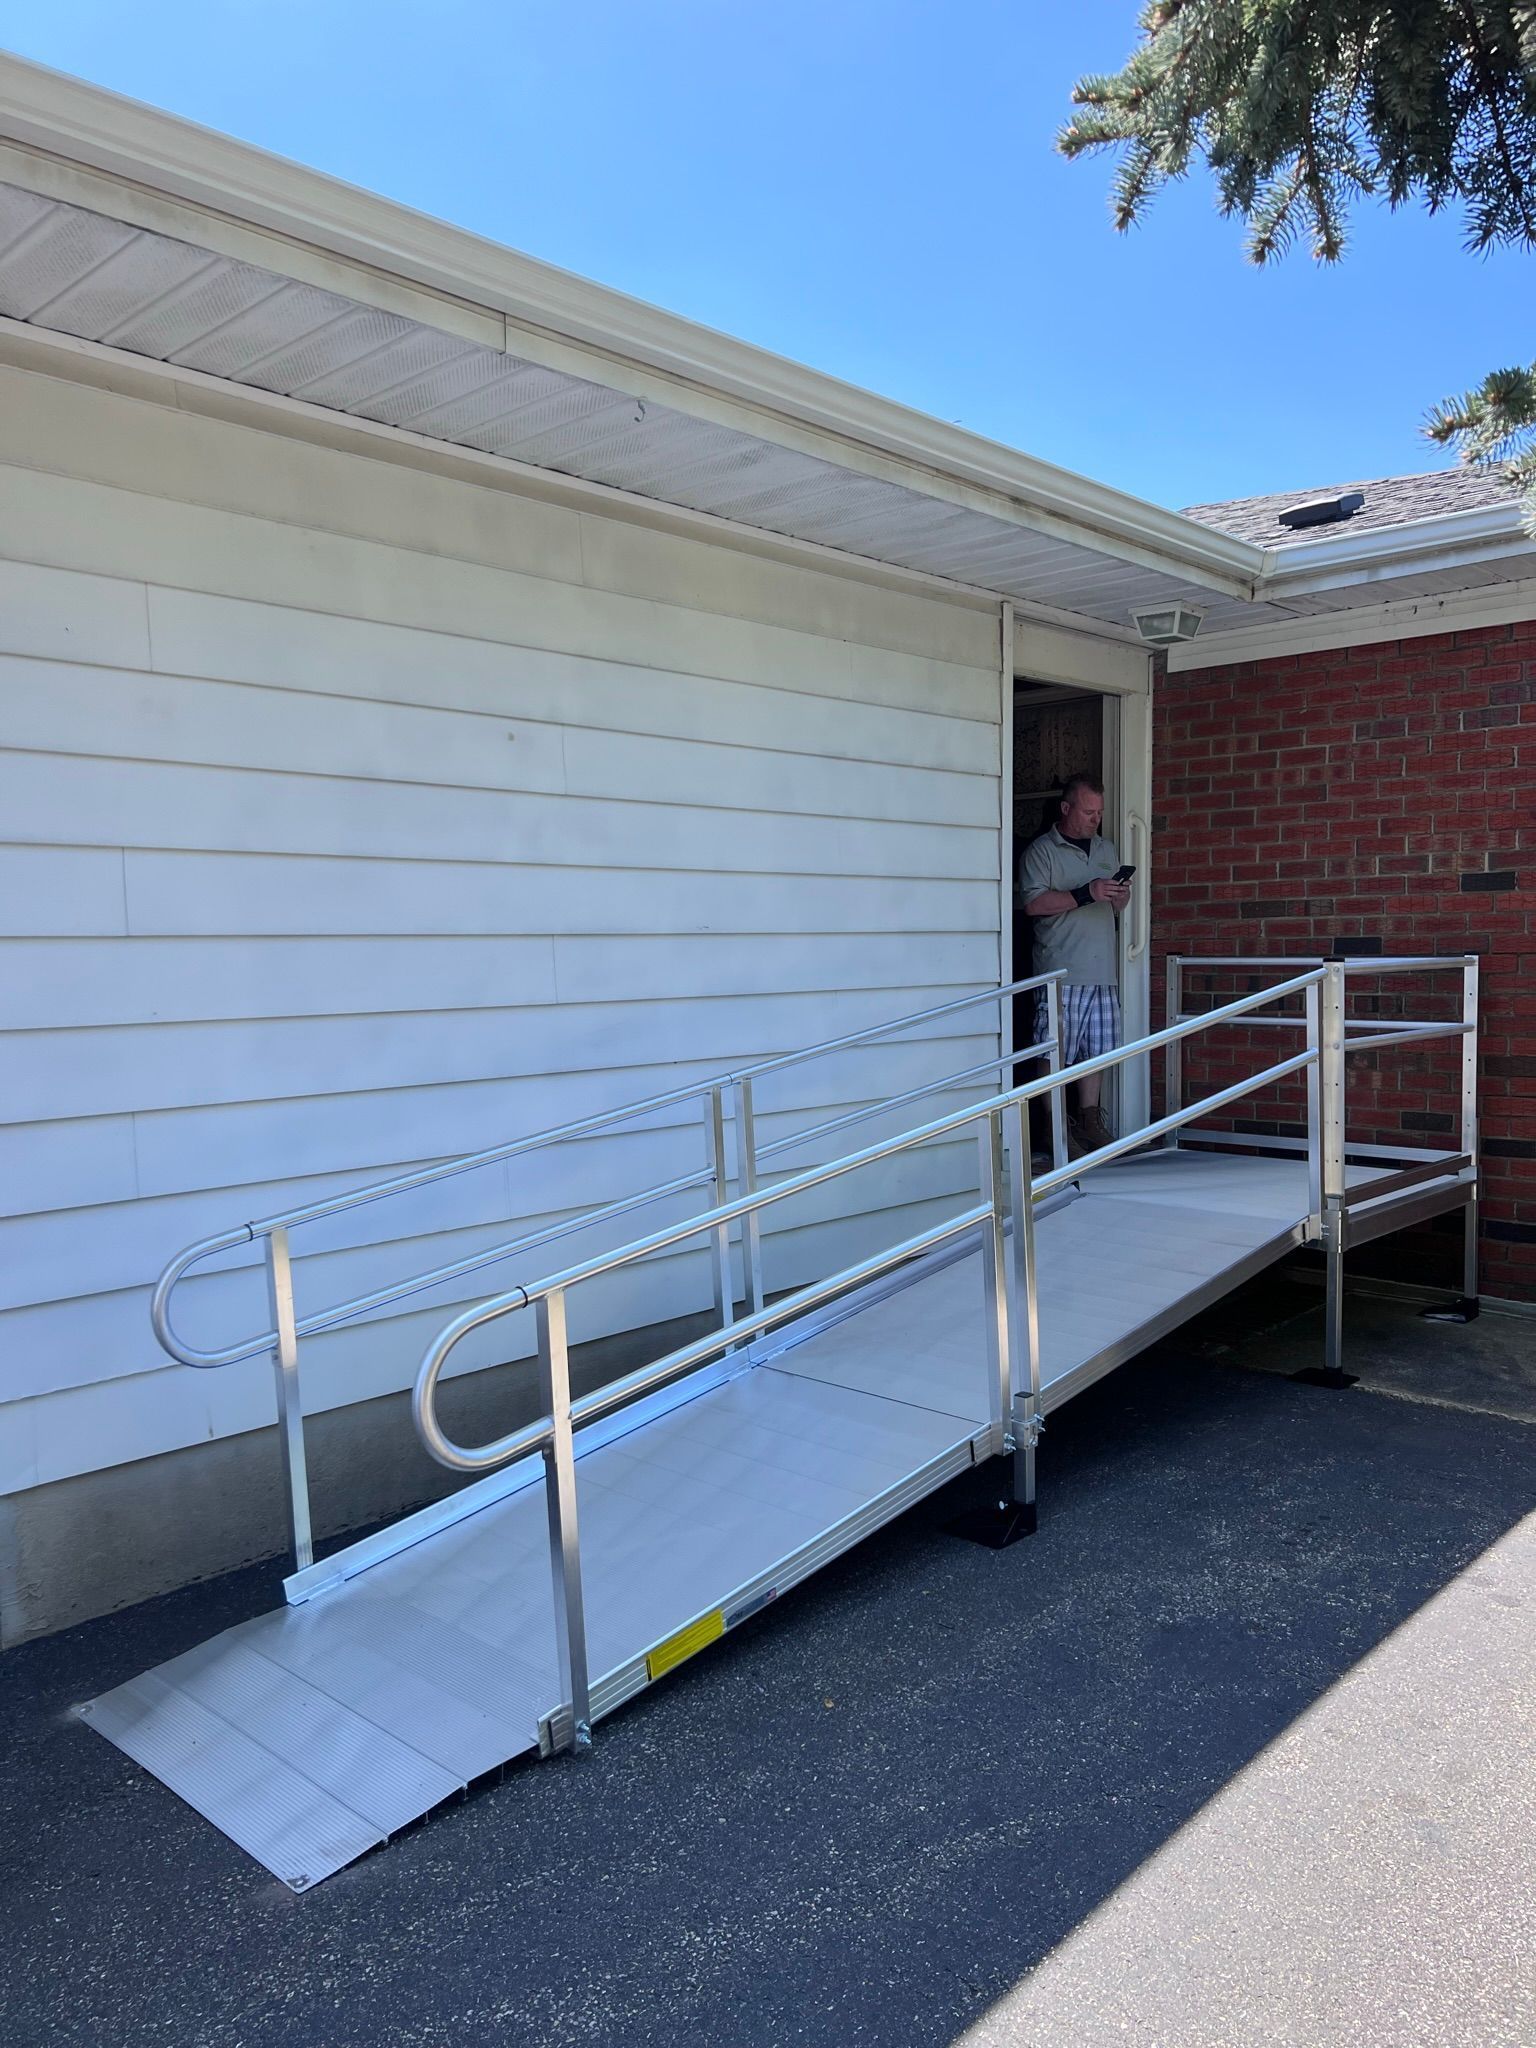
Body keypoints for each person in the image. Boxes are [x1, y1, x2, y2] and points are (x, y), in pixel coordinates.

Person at [1019, 773, 1130, 1158]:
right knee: (1054, 1052)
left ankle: (1089, 1122)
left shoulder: (1106, 848)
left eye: (1098, 812)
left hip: (1103, 969)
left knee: (1098, 1052)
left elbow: (1116, 906)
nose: (1094, 819)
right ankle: (1054, 1128)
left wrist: (1117, 896)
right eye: (1087, 812)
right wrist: (1088, 892)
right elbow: (1032, 904)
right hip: (1061, 969)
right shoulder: (1041, 852)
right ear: (1066, 808)